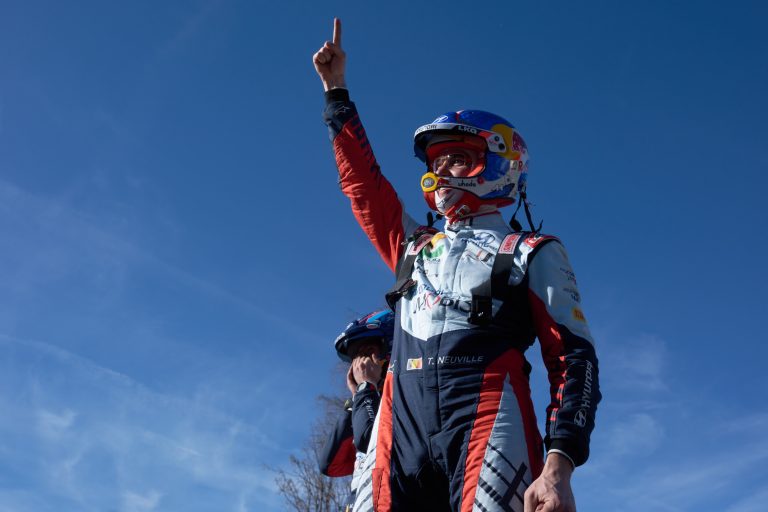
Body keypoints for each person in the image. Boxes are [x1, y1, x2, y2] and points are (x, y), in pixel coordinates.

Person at [313, 19, 600, 512]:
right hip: (399, 426)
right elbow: (363, 187)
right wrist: (336, 93)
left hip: (489, 414)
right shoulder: (412, 245)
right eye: (436, 162)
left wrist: (558, 469)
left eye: (457, 158)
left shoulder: (531, 249)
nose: (441, 172)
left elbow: (574, 360)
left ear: (499, 164)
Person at [319, 309, 395, 511]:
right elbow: (329, 464)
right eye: (356, 356)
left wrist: (365, 388)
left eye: (367, 351)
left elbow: (371, 442)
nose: (360, 363)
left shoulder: (406, 395)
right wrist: (356, 399)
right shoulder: (367, 402)